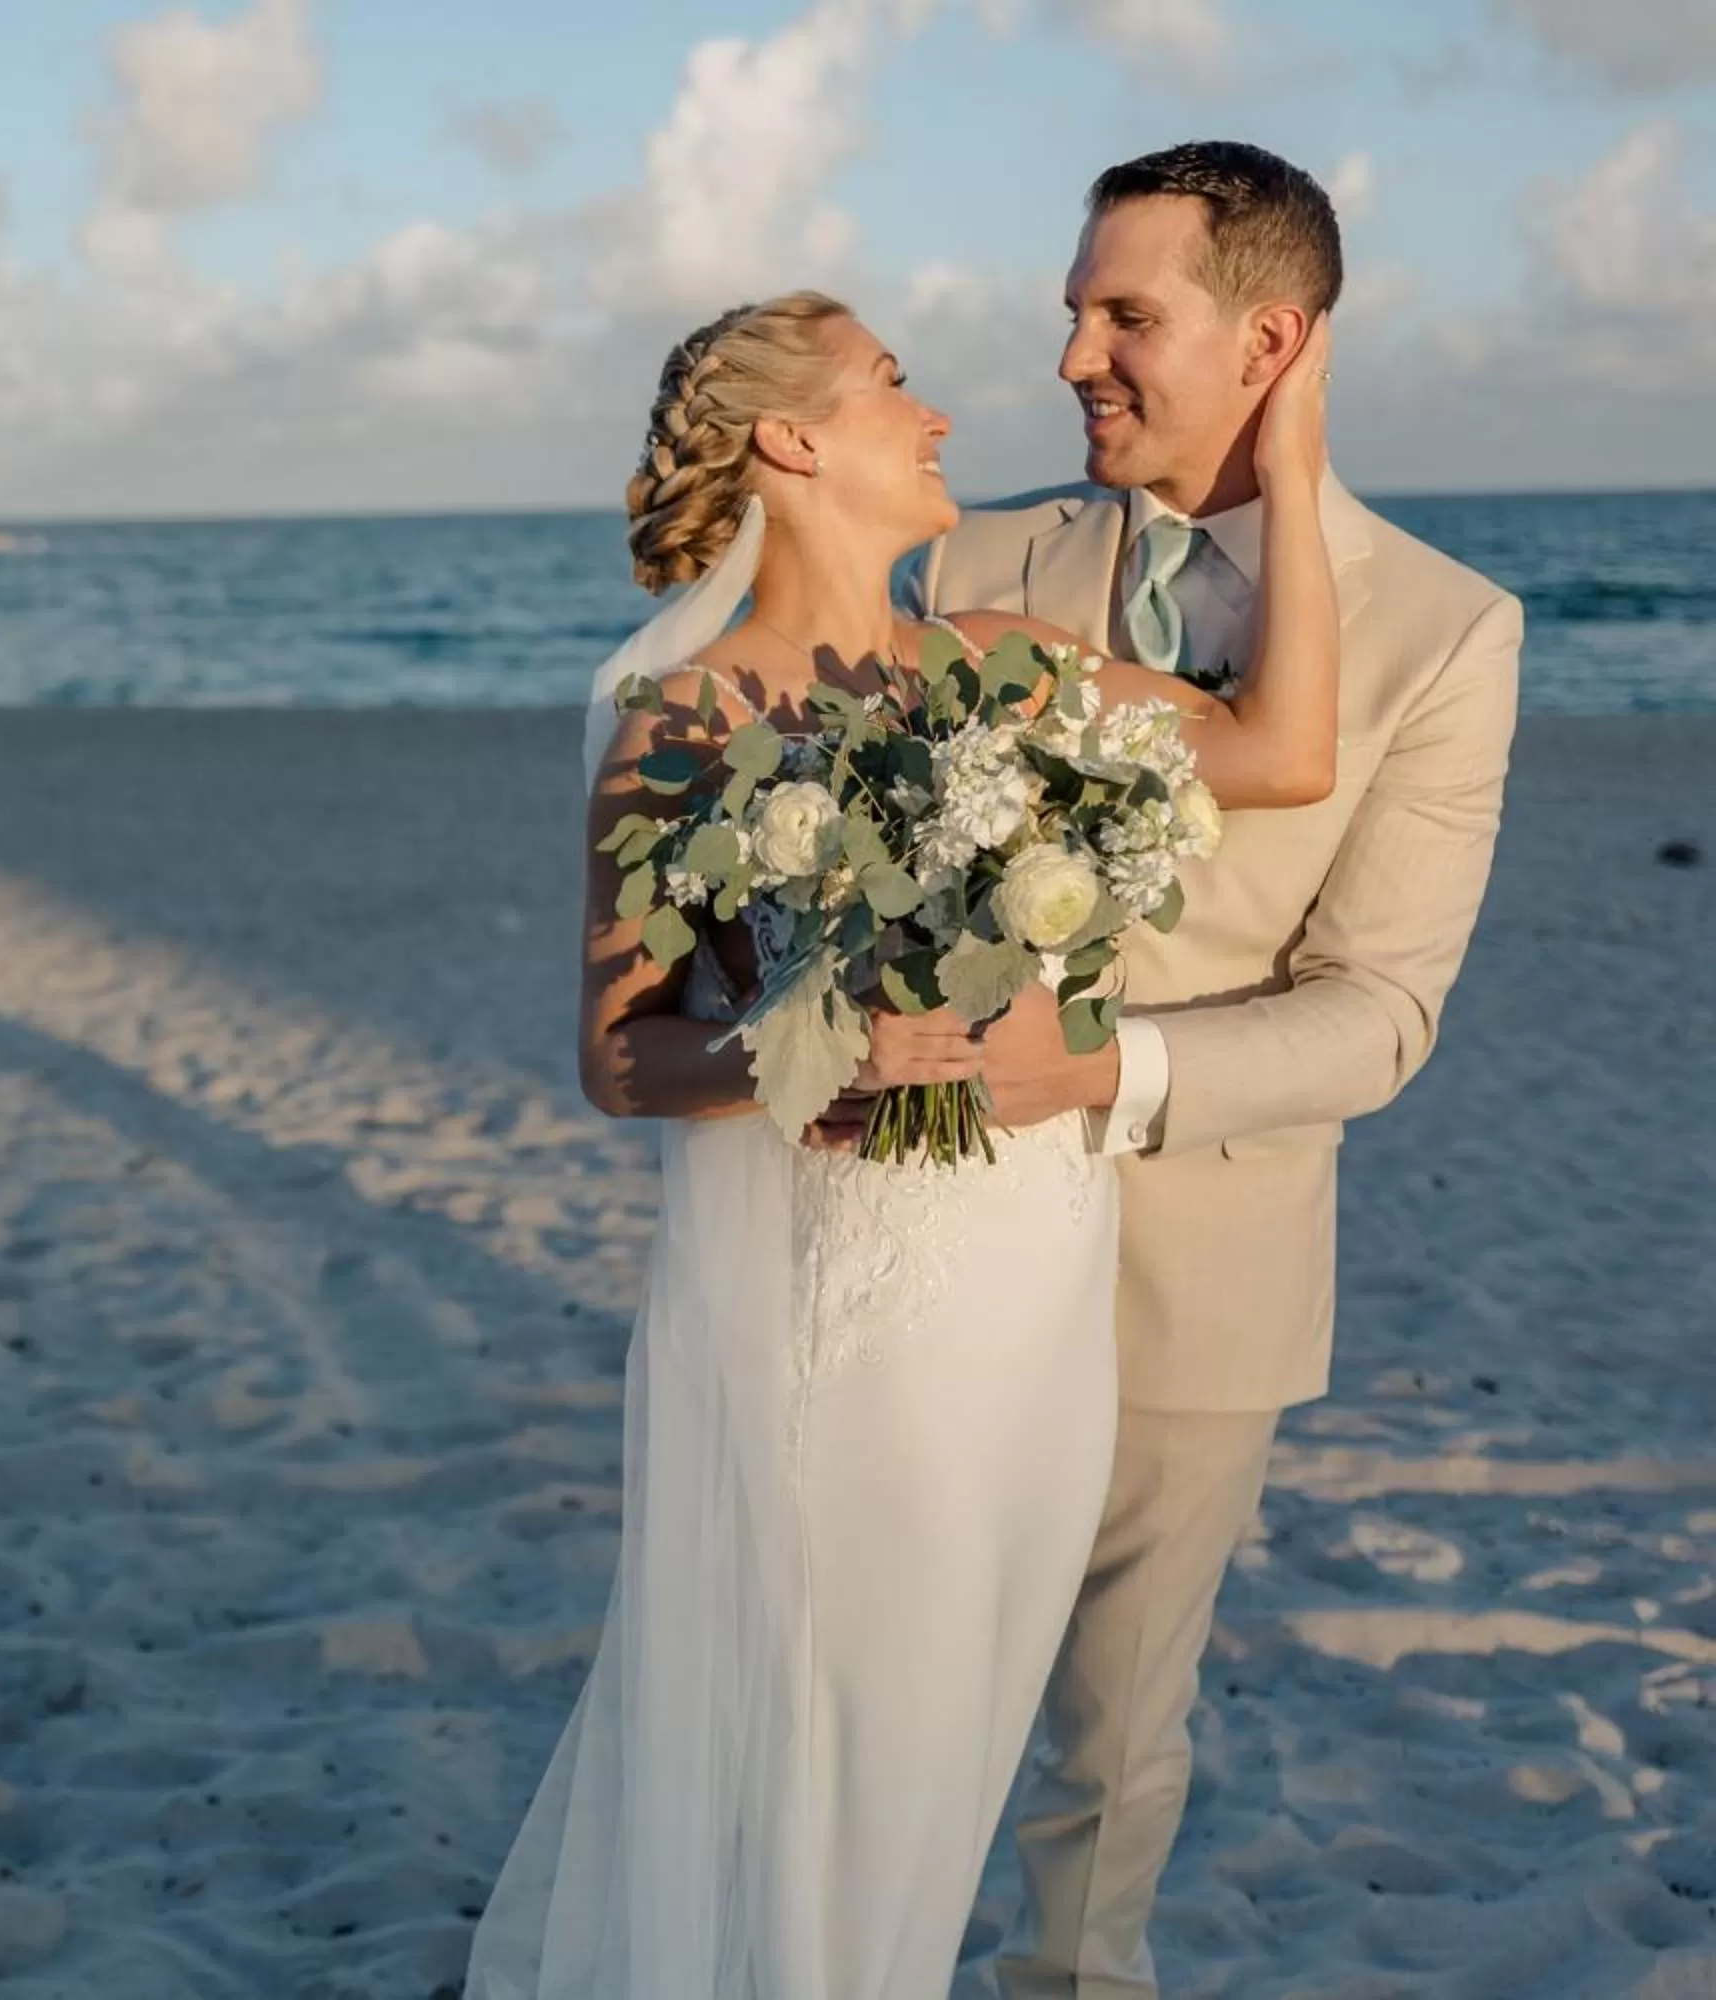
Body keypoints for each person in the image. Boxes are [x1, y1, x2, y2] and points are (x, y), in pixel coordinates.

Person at [461, 254, 1336, 1995]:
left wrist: (1290, 443)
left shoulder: (1001, 666)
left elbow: (1284, 750)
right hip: (845, 1317)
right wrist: (813, 1043)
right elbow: (624, 1059)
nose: (937, 411)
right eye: (891, 383)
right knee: (832, 1735)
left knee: (949, 1739)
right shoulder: (684, 717)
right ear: (792, 440)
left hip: (1035, 1296)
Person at [908, 140, 1524, 2000]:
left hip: (1203, 1270)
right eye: (1072, 312)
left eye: (1125, 315)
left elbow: (1378, 1012)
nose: (1076, 356)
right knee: (884, 1700)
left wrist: (1096, 1070)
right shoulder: (972, 562)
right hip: (918, 1241)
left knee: (1110, 1757)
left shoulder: (1444, 633)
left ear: (1274, 338)